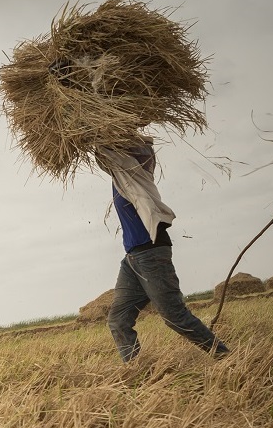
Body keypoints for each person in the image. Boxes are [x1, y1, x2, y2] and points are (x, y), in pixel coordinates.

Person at [96, 141, 230, 362]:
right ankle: (136, 370)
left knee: (174, 316)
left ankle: (223, 356)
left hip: (150, 254)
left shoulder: (136, 171)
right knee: (118, 320)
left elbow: (109, 150)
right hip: (132, 258)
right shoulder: (120, 177)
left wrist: (105, 132)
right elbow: (102, 156)